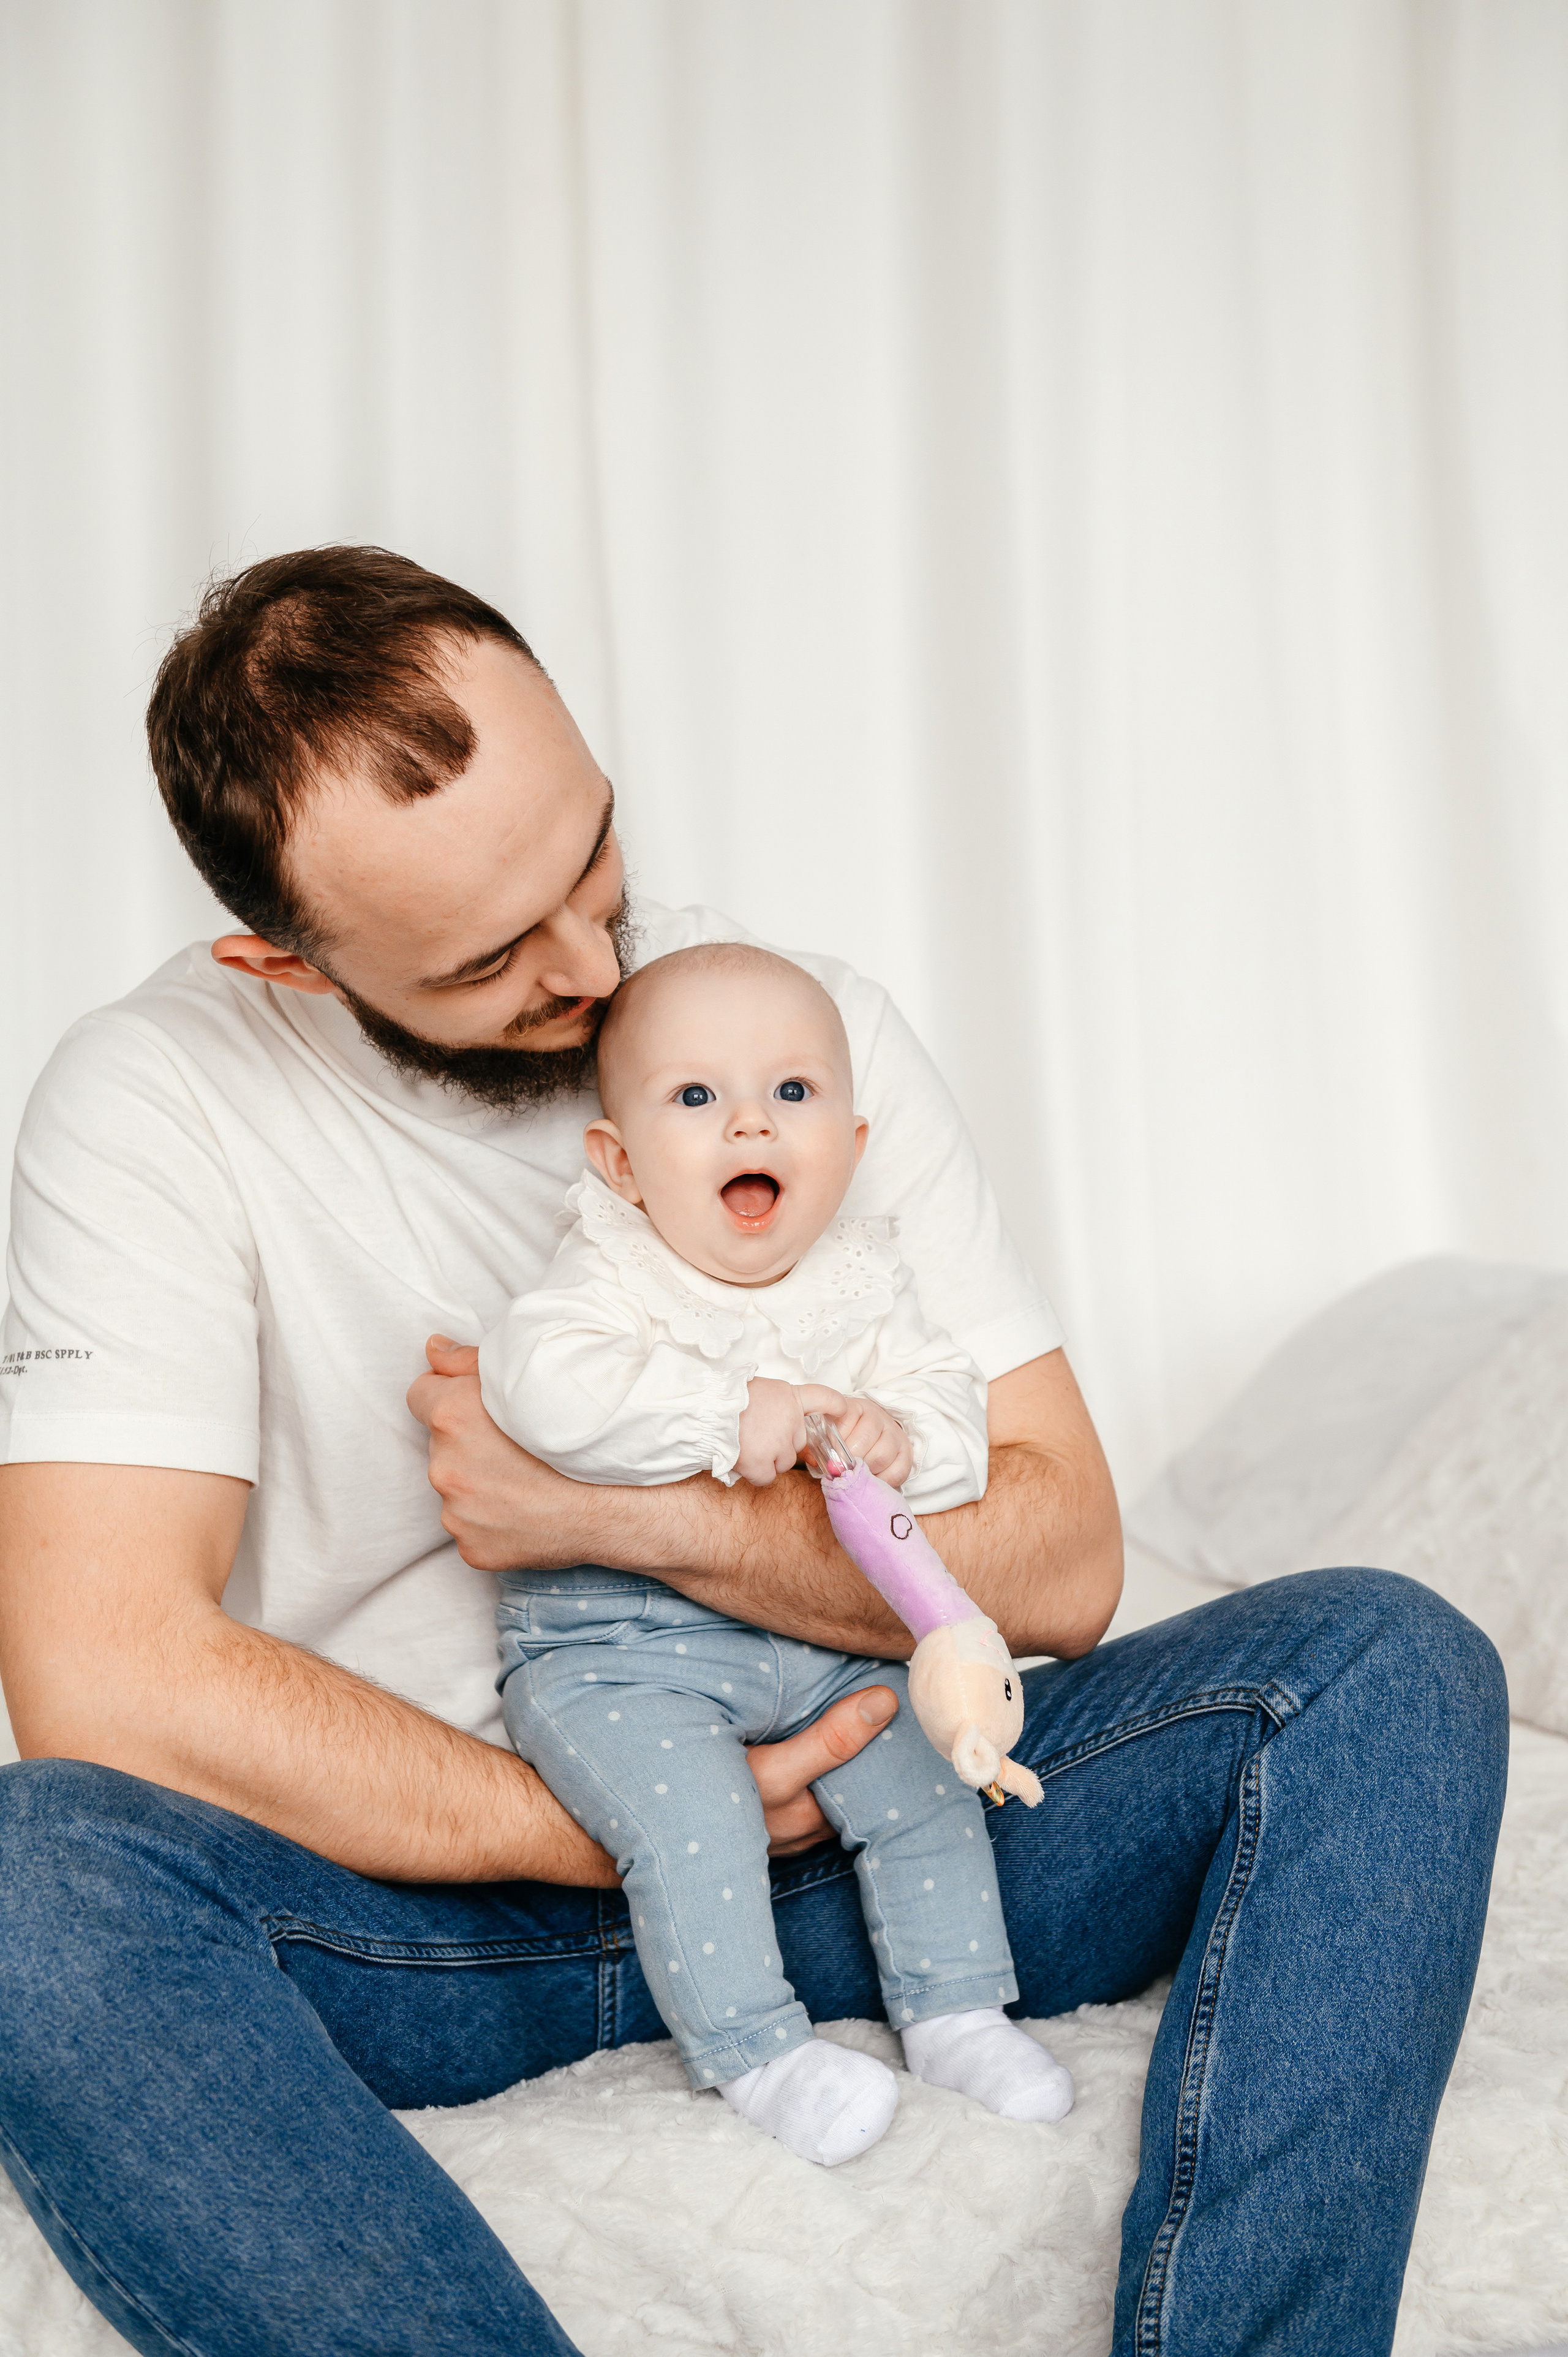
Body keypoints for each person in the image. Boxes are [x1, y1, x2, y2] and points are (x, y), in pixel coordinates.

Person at [0, 547, 1506, 2357]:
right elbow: (99, 1675)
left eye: (591, 859)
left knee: (1381, 1662)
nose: (590, 966)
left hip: (879, 1817)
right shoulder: (151, 1102)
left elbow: (1064, 1561)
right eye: (489, 958)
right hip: (439, 1913)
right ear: (287, 964)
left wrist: (629, 1518)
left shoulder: (787, 1032)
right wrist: (619, 1830)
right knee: (29, 1872)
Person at [480, 940, 1075, 2162]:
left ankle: (957, 2012)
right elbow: (539, 1387)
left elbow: (957, 1420)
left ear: (849, 1148)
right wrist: (725, 1413)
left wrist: (904, 1437)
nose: (749, 1121)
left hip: (816, 1631)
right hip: (616, 1648)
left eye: (791, 1092)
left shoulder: (865, 1283)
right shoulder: (610, 1267)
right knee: (691, 1817)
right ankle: (755, 2052)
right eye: (696, 1096)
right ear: (621, 1163)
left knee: (927, 1772)